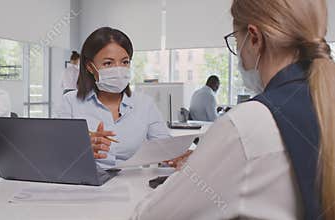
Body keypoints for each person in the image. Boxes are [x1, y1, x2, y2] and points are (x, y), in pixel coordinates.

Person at [132, 0, 334, 219]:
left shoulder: (248, 124)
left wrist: (199, 169)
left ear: (254, 38)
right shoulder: (323, 102)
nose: (238, 52)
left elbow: (152, 215)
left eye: (236, 41)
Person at [55, 27, 171, 169]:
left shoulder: (145, 104)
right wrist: (80, 148)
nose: (119, 69)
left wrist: (176, 157)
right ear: (90, 67)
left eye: (125, 62)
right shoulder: (70, 102)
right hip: (87, 185)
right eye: (108, 63)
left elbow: (166, 150)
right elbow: (58, 154)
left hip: (133, 186)